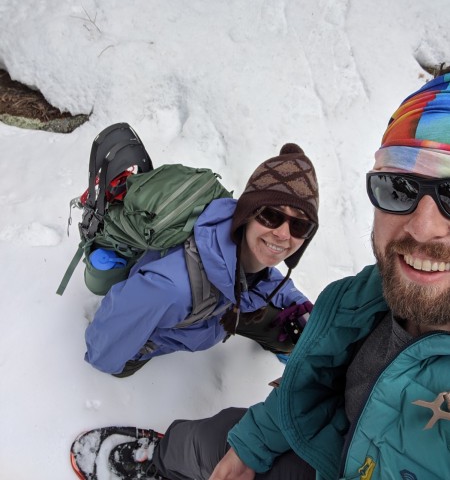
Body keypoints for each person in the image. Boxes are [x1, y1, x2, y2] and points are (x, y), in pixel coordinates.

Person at [103, 73, 450, 479]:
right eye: (400, 187)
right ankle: (160, 464)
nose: (424, 227)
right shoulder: (375, 290)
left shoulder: (276, 281)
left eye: (299, 226)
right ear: (244, 214)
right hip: (321, 441)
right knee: (205, 440)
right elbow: (105, 354)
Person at [85, 143, 319, 377]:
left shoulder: (243, 249)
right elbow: (104, 346)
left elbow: (257, 276)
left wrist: (296, 302)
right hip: (170, 327)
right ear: (247, 213)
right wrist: (110, 363)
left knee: (289, 336)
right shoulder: (168, 289)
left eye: (299, 224)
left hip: (221, 313)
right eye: (271, 215)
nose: (283, 234)